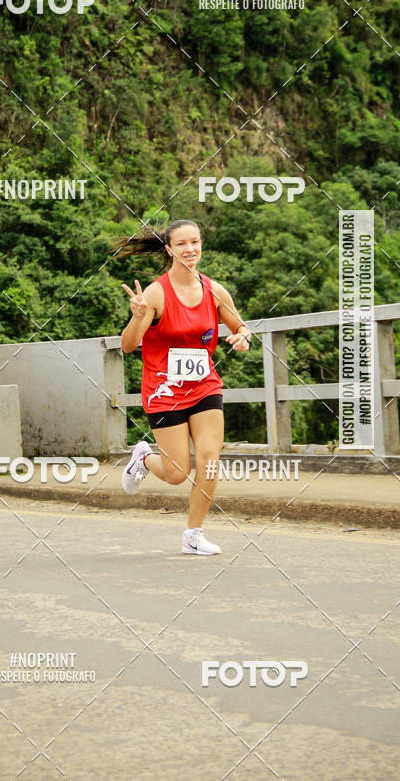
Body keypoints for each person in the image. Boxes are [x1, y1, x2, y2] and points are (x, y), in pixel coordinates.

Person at [118, 219, 251, 555]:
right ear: (169, 249)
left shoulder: (214, 291)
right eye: (182, 244)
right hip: (164, 392)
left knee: (210, 459)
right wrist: (137, 316)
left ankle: (194, 535)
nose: (190, 249)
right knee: (178, 472)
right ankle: (143, 460)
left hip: (205, 386)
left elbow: (241, 326)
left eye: (195, 242)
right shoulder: (156, 293)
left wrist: (242, 337)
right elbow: (128, 346)